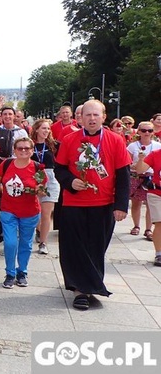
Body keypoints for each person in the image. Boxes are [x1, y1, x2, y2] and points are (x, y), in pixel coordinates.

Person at [54, 100, 130, 310]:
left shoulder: (115, 141)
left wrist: (121, 205)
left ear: (103, 117)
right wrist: (70, 182)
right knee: (74, 247)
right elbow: (59, 170)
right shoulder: (69, 140)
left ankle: (91, 284)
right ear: (81, 118)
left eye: (96, 115)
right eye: (87, 115)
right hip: (74, 203)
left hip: (103, 203)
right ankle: (80, 289)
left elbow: (123, 176)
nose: (92, 118)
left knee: (96, 247)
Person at [0, 137, 47, 288]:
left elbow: (42, 189)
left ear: (31, 150)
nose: (23, 151)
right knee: (10, 243)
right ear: (14, 150)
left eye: (27, 148)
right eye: (20, 148)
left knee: (25, 243)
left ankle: (22, 271)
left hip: (30, 212)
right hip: (8, 210)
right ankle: (10, 273)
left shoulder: (37, 167)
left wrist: (38, 190)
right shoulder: (7, 164)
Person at [30, 118, 60, 254]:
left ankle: (43, 242)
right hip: (33, 178)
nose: (46, 131)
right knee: (36, 213)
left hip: (50, 180)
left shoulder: (54, 145)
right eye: (43, 128)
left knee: (46, 214)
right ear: (36, 129)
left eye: (48, 129)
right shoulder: (30, 145)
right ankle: (38, 229)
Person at [127, 121, 161, 239]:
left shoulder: (157, 145)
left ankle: (148, 229)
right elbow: (127, 162)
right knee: (136, 203)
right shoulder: (132, 146)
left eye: (150, 131)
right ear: (139, 132)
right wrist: (136, 164)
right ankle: (136, 226)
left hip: (151, 177)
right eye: (144, 130)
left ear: (153, 132)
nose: (147, 133)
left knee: (150, 204)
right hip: (137, 177)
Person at [132, 145, 161, 266]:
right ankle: (159, 254)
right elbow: (140, 170)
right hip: (156, 193)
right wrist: (140, 159)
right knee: (160, 222)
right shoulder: (156, 153)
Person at [0, 96, 29, 161]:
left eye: (10, 114)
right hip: (0, 161)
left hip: (16, 161)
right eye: (5, 114)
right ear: (1, 116)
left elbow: (27, 148)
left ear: (14, 116)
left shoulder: (21, 132)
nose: (7, 116)